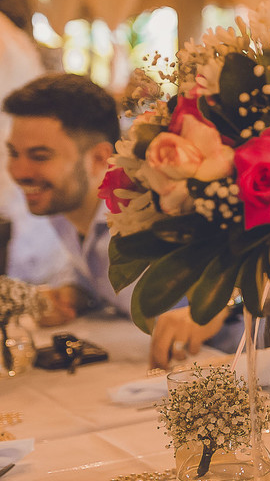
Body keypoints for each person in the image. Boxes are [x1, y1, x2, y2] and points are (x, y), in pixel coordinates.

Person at [3, 73, 232, 367]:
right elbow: (100, 269)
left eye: (40, 156)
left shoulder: (158, 205)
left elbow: (241, 276)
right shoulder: (62, 209)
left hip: (243, 367)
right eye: (13, 153)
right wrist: (79, 293)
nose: (19, 171)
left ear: (99, 159)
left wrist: (223, 307)